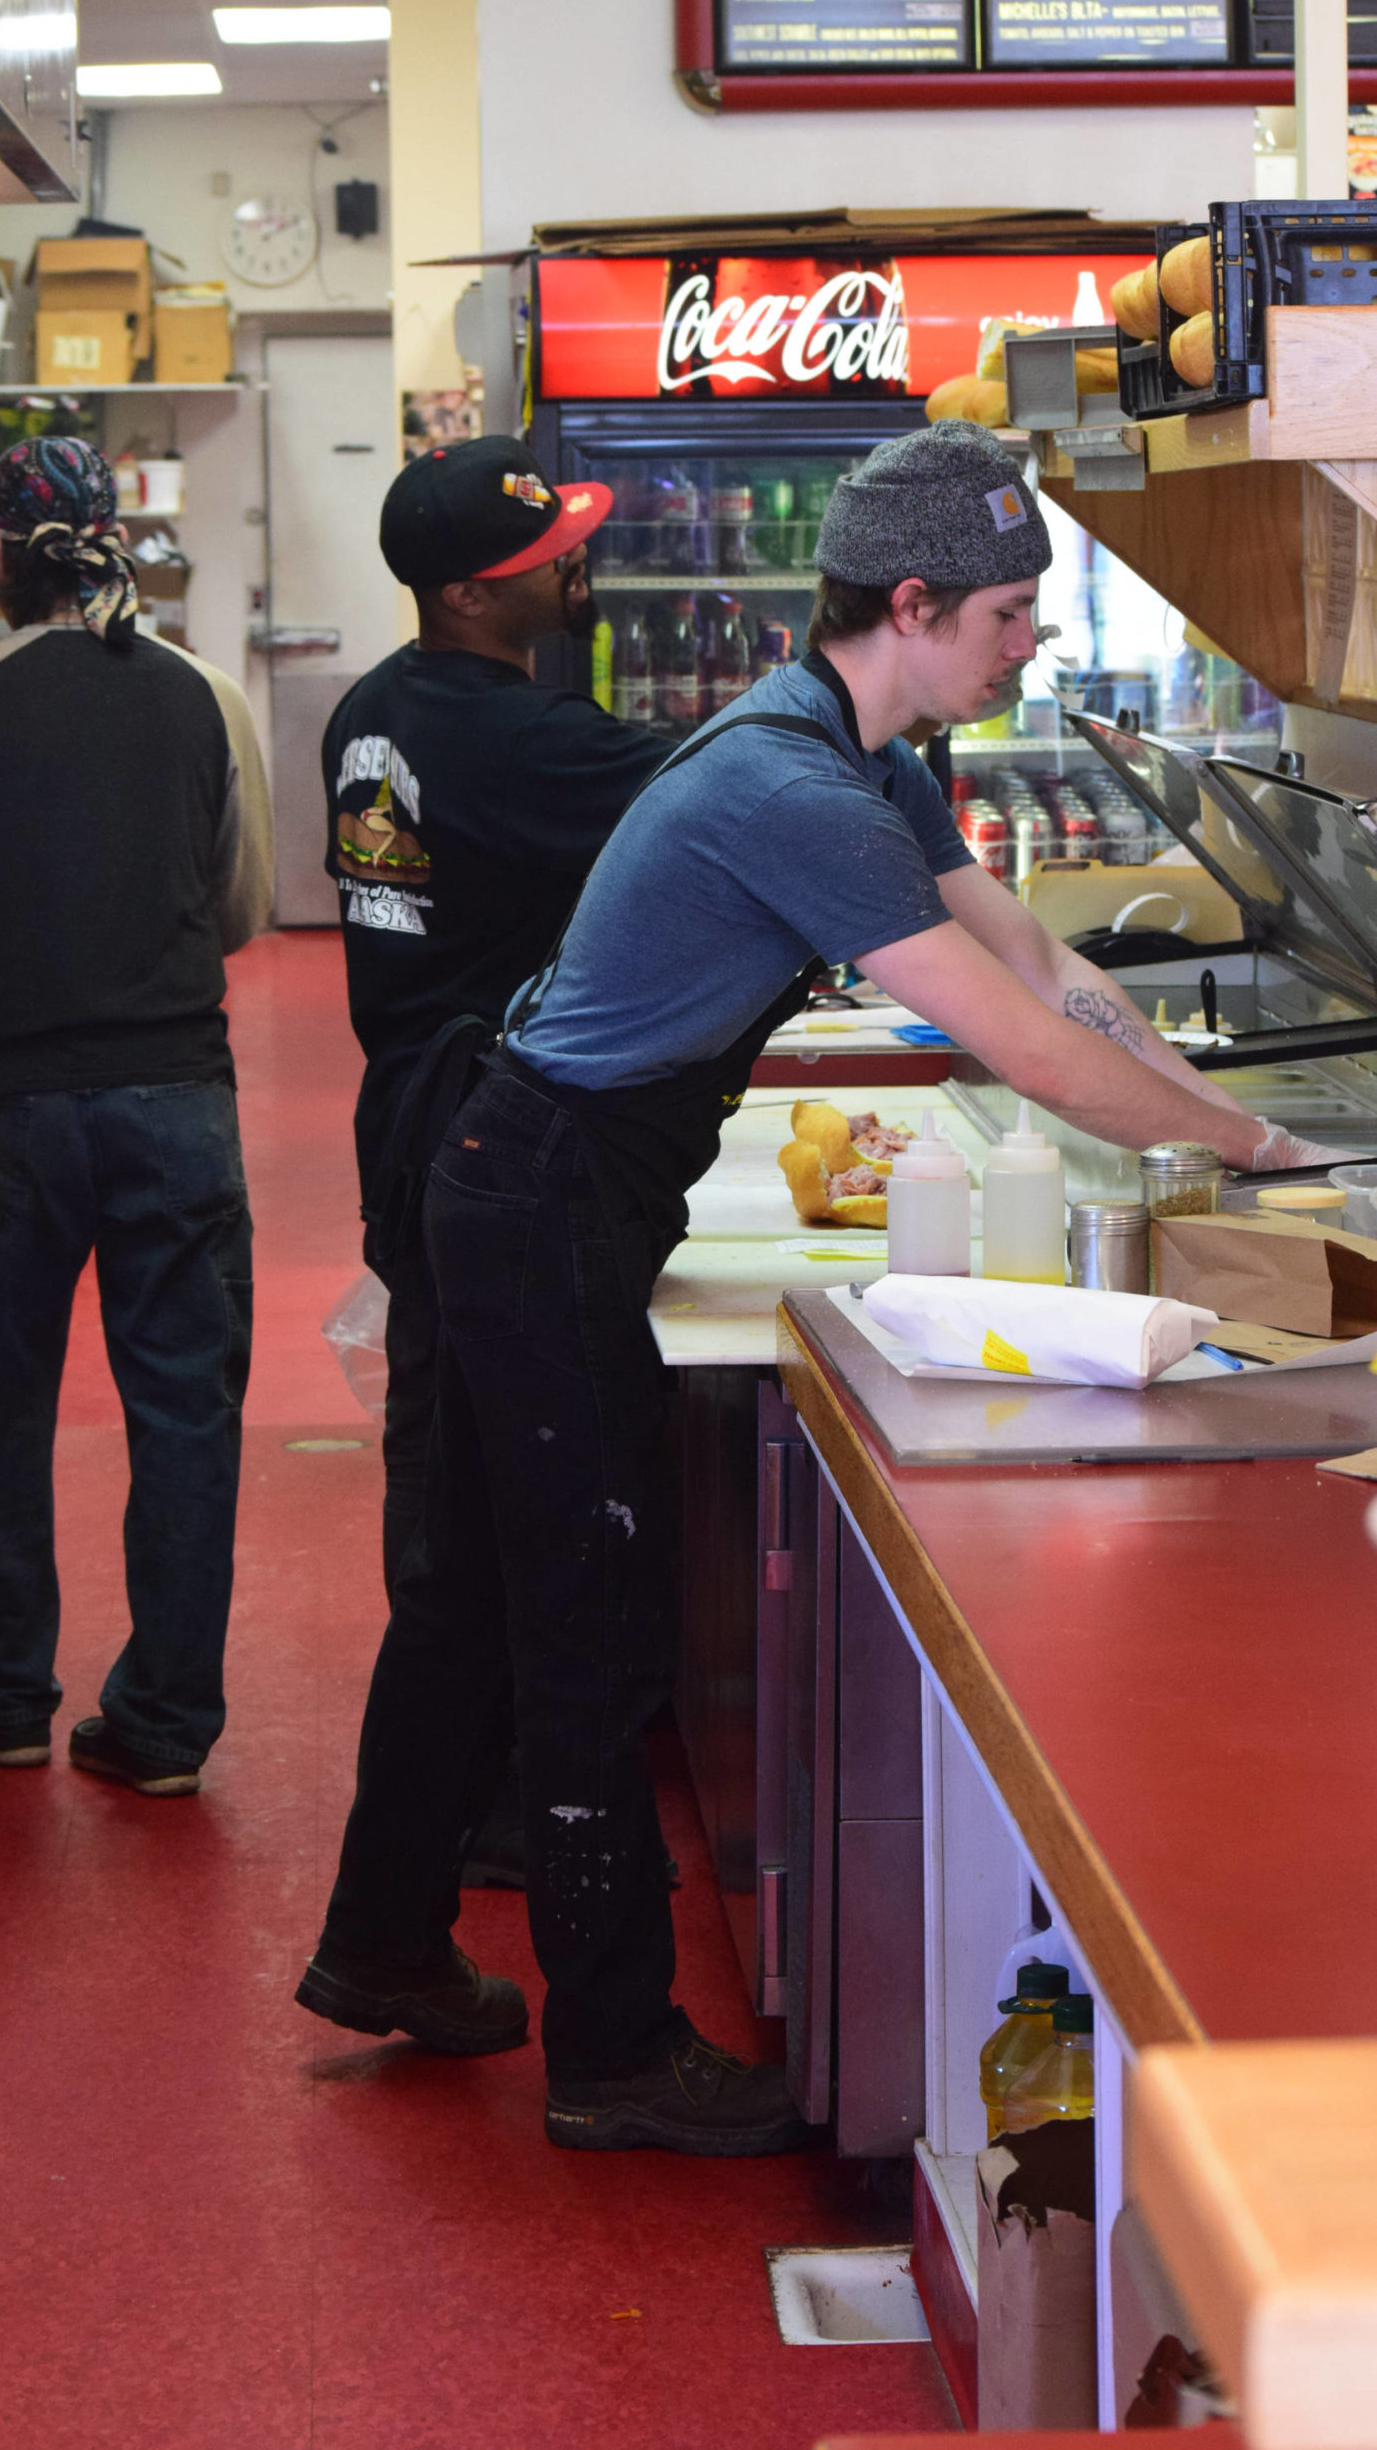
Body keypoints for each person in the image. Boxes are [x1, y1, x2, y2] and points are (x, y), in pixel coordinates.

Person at [297, 421, 1333, 2152]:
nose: (1033, 642)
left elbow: (1041, 966)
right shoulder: (789, 783)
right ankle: (612, 2054)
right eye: (1011, 611)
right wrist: (1243, 1152)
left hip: (544, 1180)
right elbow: (1018, 1048)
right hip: (543, 1189)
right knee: (585, 1626)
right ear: (913, 605)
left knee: (480, 1586)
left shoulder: (868, 759)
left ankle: (381, 1944)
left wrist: (1226, 1113)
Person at [0, 437, 273, 1797]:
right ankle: (161, 1729)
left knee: (4, 1405)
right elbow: (238, 913)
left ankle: (6, 1703)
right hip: (177, 1102)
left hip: (6, 1107)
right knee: (182, 1414)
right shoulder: (205, 695)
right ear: (113, 542)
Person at [320, 437, 665, 1887]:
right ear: (468, 593)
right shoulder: (520, 738)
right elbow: (717, 800)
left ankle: (467, 1775)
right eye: (544, 557)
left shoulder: (374, 709)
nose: (576, 567)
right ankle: (505, 1789)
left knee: (444, 1447)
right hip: (489, 1136)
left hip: (404, 1113)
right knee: (505, 1477)